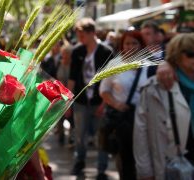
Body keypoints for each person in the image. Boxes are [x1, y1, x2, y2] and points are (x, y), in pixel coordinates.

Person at [133, 33, 194, 180]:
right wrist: (145, 171)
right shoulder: (155, 88)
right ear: (177, 56)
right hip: (172, 163)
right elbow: (141, 132)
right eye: (191, 53)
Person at [68, 18, 113, 179]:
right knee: (79, 134)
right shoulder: (77, 51)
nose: (80, 39)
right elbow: (72, 77)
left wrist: (104, 103)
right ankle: (79, 162)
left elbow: (110, 80)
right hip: (81, 101)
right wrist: (68, 100)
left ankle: (101, 168)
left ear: (92, 33)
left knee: (101, 136)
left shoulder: (106, 52)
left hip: (98, 100)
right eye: (79, 35)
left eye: (83, 35)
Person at [99, 30, 148, 180]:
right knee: (126, 159)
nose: (131, 46)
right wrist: (117, 104)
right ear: (122, 45)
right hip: (124, 120)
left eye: (135, 43)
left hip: (146, 119)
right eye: (127, 43)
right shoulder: (115, 64)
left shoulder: (150, 64)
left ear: (141, 45)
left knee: (145, 159)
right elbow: (104, 90)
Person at [56, 44, 74, 146]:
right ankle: (61, 136)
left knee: (71, 117)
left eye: (67, 54)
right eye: (63, 54)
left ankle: (71, 136)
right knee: (60, 117)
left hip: (72, 94)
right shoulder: (59, 64)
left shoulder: (73, 66)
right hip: (60, 95)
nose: (65, 56)